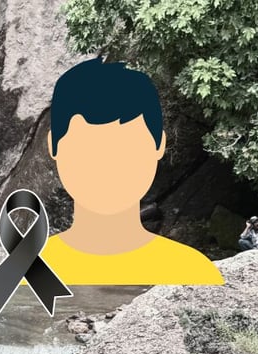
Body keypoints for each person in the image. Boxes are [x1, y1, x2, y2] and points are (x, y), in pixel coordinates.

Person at [38, 57, 223, 285]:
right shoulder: (27, 270)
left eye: (125, 149)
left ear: (159, 145)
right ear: (53, 147)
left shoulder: (193, 272)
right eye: (89, 149)